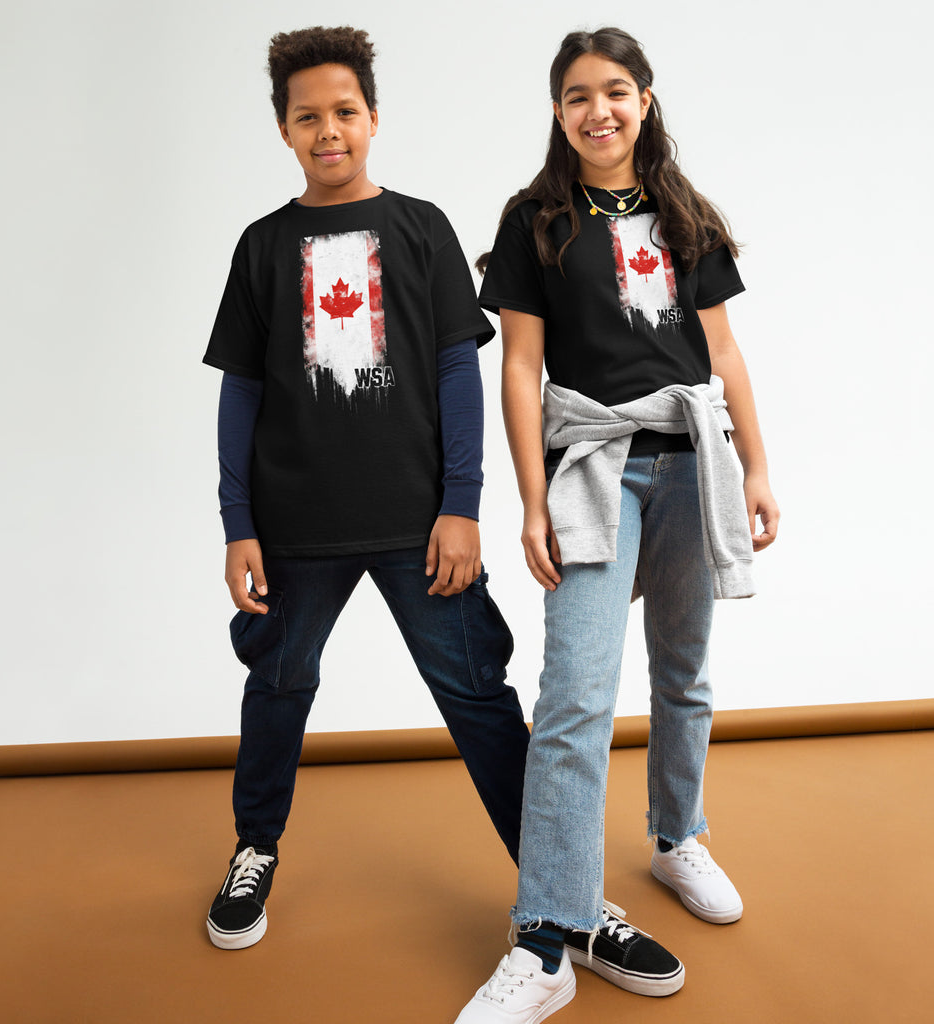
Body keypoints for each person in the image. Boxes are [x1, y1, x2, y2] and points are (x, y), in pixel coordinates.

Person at [201, 28, 678, 995]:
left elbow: (463, 376)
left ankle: (566, 900)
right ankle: (255, 846)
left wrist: (462, 506)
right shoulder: (262, 247)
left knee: (481, 703)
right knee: (278, 685)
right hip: (293, 530)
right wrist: (237, 521)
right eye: (307, 116)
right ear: (283, 129)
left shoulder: (420, 230)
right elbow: (240, 392)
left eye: (345, 112)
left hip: (422, 530)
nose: (328, 131)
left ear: (373, 118)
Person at [455, 26, 779, 1023]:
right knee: (575, 696)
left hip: (693, 464)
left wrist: (758, 465)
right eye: (576, 97)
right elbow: (519, 368)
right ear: (558, 113)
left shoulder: (686, 216)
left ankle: (678, 837)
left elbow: (724, 355)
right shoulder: (535, 222)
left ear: (644, 99)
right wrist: (529, 499)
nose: (597, 111)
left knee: (683, 668)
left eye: (614, 91)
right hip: (595, 467)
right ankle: (546, 937)